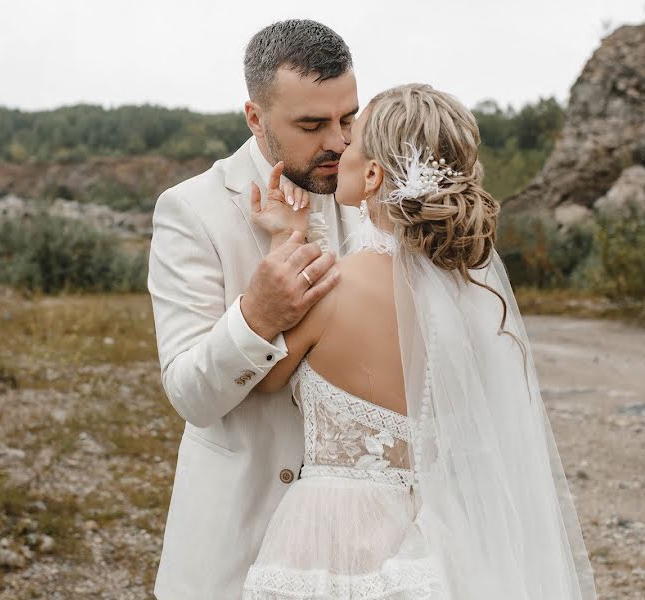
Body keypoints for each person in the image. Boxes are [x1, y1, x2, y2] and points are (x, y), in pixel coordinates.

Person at [240, 83, 597, 600]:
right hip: (441, 536)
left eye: (353, 138)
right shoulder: (469, 301)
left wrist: (284, 240)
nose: (339, 146)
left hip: (331, 538)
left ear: (372, 175)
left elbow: (264, 379)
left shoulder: (330, 288)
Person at [147, 20, 359, 600]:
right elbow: (190, 395)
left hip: (359, 549)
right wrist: (258, 317)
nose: (339, 142)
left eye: (349, 118)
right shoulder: (190, 212)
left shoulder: (373, 198)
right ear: (255, 118)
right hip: (235, 549)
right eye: (312, 125)